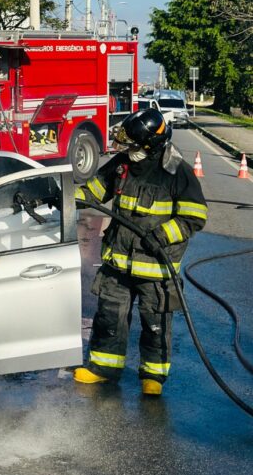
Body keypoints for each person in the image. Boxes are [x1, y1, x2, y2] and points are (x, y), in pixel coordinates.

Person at [74, 108, 207, 396]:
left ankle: (153, 377)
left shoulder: (176, 172)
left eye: (132, 145)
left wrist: (161, 235)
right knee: (109, 316)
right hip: (118, 263)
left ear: (149, 145)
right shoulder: (122, 165)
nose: (127, 149)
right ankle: (103, 368)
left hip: (155, 267)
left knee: (155, 323)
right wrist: (68, 197)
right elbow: (94, 191)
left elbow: (194, 216)